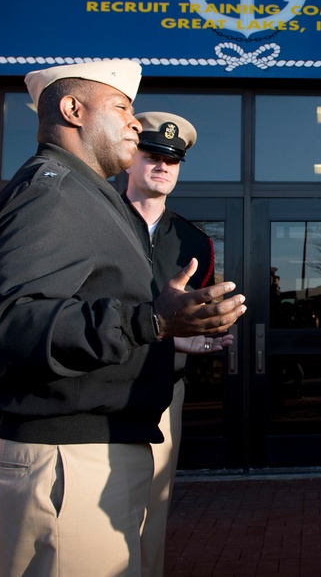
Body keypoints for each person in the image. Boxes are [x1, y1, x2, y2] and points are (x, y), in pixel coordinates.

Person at [0, 60, 246, 577]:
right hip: (68, 459)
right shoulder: (53, 193)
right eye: (122, 108)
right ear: (73, 110)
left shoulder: (86, 196)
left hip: (97, 447)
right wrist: (153, 322)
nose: (134, 124)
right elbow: (16, 324)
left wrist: (167, 324)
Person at [123, 111, 215, 577]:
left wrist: (203, 333)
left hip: (163, 388)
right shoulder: (97, 218)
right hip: (98, 383)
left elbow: (197, 317)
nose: (162, 166)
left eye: (172, 160)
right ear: (129, 158)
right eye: (152, 155)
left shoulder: (193, 239)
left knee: (151, 507)